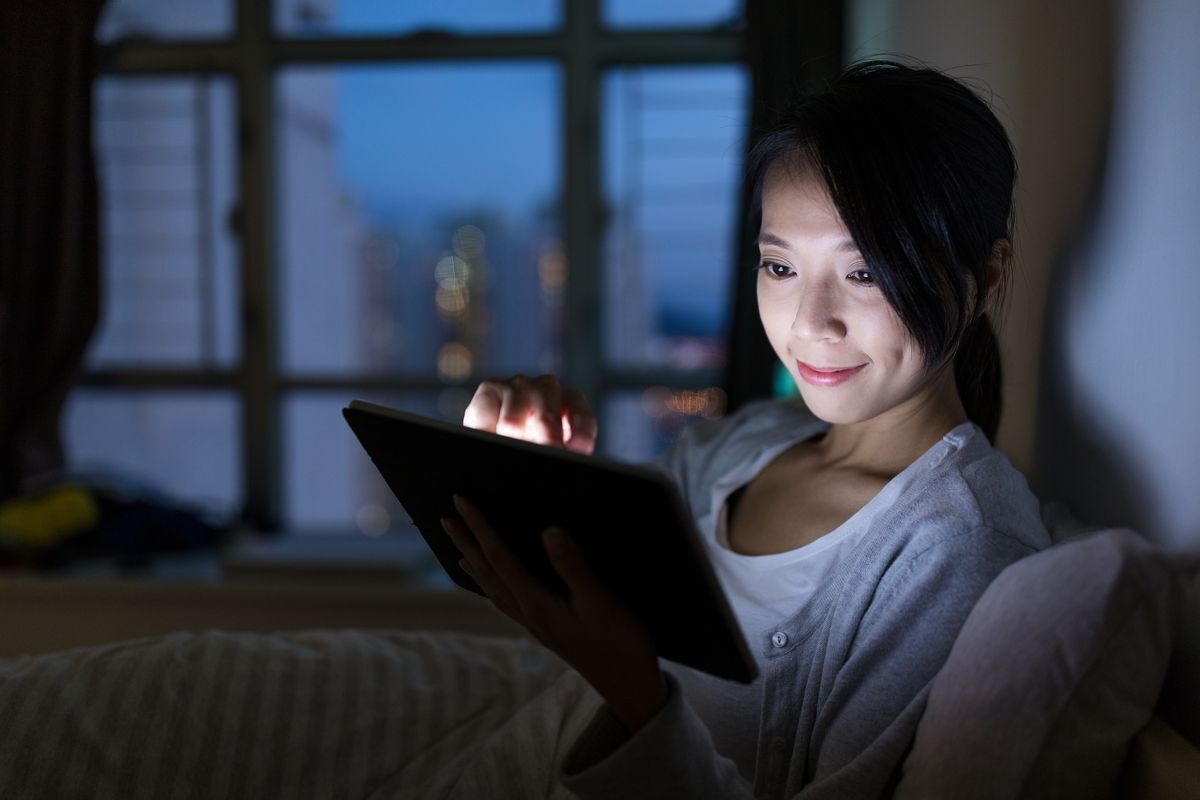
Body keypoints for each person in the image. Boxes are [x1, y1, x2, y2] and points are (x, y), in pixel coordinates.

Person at [442, 60, 1051, 799]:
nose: (810, 324)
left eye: (865, 273)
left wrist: (638, 698)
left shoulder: (960, 549)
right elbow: (597, 587)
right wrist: (543, 476)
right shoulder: (743, 443)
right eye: (780, 267)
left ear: (985, 279)